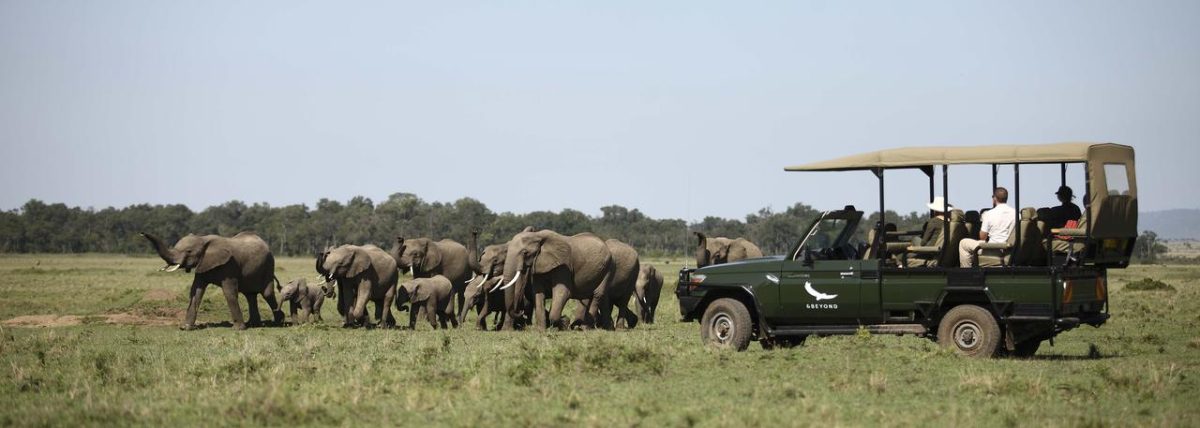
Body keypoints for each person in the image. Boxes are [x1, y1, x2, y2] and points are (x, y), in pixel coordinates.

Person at [958, 187, 1016, 266]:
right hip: (1009, 249)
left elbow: (982, 237)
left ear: (994, 198)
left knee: (963, 243)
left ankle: (967, 270)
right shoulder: (1016, 213)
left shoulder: (989, 214)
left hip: (993, 248)